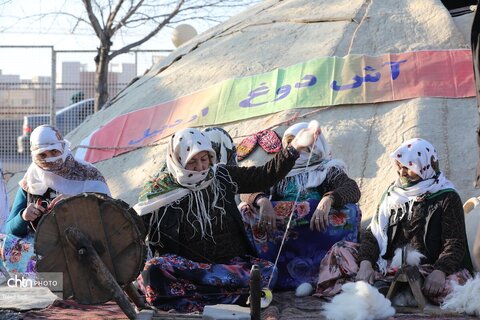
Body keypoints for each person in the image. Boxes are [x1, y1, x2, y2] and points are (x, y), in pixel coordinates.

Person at [133, 126, 317, 313]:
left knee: (267, 272)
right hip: (187, 270)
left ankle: (193, 299)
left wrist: (294, 148)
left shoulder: (222, 176)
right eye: (192, 162)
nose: (200, 167)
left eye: (204, 159)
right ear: (178, 161)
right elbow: (134, 230)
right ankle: (227, 297)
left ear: (211, 157)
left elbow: (264, 176)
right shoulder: (159, 193)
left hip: (229, 265)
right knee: (153, 269)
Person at [315, 138, 472, 305]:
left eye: (408, 168)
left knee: (454, 288)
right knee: (340, 250)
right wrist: (366, 263)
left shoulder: (447, 197)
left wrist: (440, 271)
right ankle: (386, 286)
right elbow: (373, 234)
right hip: (385, 265)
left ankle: (382, 289)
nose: (402, 173)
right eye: (399, 167)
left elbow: (454, 242)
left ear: (424, 166)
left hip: (428, 268)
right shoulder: (393, 194)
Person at [239, 122, 361, 289]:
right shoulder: (279, 169)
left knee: (349, 211)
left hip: (316, 229)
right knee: (246, 209)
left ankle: (326, 273)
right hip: (284, 233)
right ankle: (272, 273)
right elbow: (248, 189)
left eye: (301, 142)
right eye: (289, 142)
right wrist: (263, 201)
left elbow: (351, 189)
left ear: (314, 144)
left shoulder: (327, 168)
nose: (294, 147)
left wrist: (328, 199)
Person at [2, 125, 110, 273]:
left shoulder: (88, 175)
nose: (49, 159)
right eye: (42, 155)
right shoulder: (31, 180)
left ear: (63, 147)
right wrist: (23, 217)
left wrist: (76, 203)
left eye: (54, 151)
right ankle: (53, 291)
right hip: (44, 252)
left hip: (85, 247)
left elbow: (111, 215)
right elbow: (8, 231)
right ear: (34, 155)